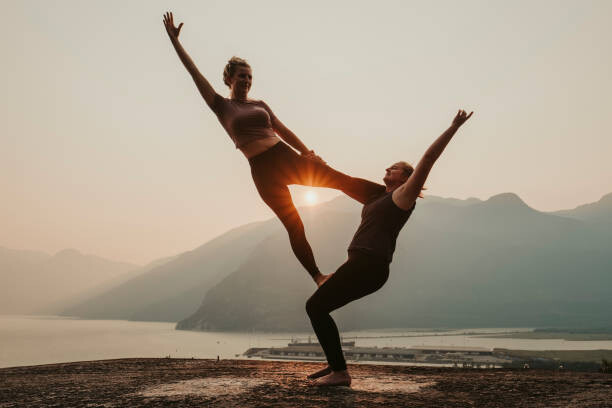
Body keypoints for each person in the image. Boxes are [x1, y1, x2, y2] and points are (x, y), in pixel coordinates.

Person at [163, 12, 382, 286]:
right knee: (294, 225)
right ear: (229, 78)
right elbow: (194, 73)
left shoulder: (261, 104)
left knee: (339, 180)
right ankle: (318, 276)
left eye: (250, 77)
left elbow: (283, 129)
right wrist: (175, 42)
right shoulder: (221, 106)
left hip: (284, 157)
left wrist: (306, 152)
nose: (247, 81)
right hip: (262, 171)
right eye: (242, 76)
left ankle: (385, 198)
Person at [305, 109, 473, 387]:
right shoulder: (375, 197)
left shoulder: (402, 198)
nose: (387, 169)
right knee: (318, 307)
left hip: (370, 266)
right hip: (360, 264)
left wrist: (453, 127)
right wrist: (316, 162)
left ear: (407, 178)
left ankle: (339, 372)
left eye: (394, 168)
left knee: (315, 306)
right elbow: (342, 181)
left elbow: (428, 159)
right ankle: (336, 366)